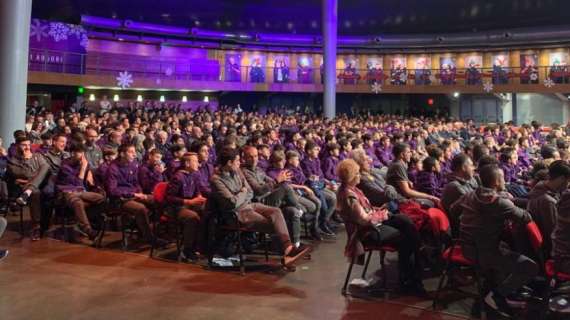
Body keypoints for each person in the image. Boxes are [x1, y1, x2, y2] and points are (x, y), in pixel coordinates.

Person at [456, 164, 537, 317]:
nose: (505, 179)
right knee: (530, 267)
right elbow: (526, 217)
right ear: (496, 183)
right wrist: (509, 201)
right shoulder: (499, 202)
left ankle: (497, 295)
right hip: (485, 253)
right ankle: (496, 296)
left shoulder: (470, 194)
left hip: (466, 247)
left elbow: (454, 210)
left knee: (505, 248)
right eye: (502, 177)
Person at [210, 147, 310, 268]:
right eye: (237, 160)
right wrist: (243, 192)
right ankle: (287, 252)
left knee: (276, 212)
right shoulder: (216, 179)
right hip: (238, 213)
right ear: (229, 162)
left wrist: (242, 194)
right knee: (273, 224)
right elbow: (232, 203)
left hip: (250, 205)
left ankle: (288, 248)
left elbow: (250, 192)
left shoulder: (237, 172)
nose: (239, 162)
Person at [336, 159, 424, 294]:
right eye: (357, 173)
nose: (360, 175)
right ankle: (410, 279)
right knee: (408, 237)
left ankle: (411, 276)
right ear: (351, 177)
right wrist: (383, 215)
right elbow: (364, 220)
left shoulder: (353, 190)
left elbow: (367, 210)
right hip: (366, 232)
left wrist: (378, 210)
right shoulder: (349, 196)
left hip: (373, 223)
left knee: (406, 222)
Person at [242, 146, 306, 248]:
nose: (254, 159)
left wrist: (279, 181)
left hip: (271, 197)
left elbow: (270, 181)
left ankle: (295, 244)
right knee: (285, 187)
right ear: (244, 158)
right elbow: (258, 191)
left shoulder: (258, 169)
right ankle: (300, 208)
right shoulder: (245, 172)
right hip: (260, 202)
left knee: (293, 211)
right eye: (250, 157)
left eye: (256, 156)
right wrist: (277, 181)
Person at [106, 143, 160, 246]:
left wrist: (140, 192)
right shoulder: (113, 168)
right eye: (131, 152)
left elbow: (136, 183)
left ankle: (154, 231)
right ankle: (149, 238)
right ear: (122, 154)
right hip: (119, 200)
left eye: (134, 152)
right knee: (140, 208)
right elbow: (112, 191)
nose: (134, 155)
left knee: (157, 200)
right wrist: (133, 194)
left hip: (134, 195)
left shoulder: (133, 164)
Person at [55, 143, 105, 240]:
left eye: (83, 152)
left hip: (80, 192)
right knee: (77, 202)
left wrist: (88, 171)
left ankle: (89, 221)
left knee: (101, 198)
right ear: (72, 153)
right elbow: (75, 184)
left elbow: (84, 185)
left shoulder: (84, 164)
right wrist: (83, 169)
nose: (82, 155)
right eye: (79, 152)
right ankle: (88, 230)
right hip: (66, 192)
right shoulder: (65, 166)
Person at [165, 152, 208, 262]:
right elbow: (169, 198)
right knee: (192, 217)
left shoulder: (195, 174)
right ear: (187, 163)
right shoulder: (178, 177)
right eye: (195, 161)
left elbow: (197, 190)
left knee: (208, 211)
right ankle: (187, 250)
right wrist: (189, 201)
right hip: (177, 208)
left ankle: (200, 246)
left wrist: (199, 198)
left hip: (191, 204)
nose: (198, 164)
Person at [7, 136, 50, 240]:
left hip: (40, 185)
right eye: (23, 145)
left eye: (28, 145)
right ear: (17, 146)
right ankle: (36, 226)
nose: (27, 147)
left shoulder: (38, 156)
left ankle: (27, 193)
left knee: (45, 168)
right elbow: (25, 174)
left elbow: (46, 168)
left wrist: (27, 179)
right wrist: (26, 161)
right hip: (22, 188)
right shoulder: (13, 161)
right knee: (35, 192)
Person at [527, 160, 570, 257]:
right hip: (556, 251)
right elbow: (554, 231)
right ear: (562, 179)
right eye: (568, 181)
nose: (568, 185)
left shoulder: (542, 186)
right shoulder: (547, 201)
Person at [386, 142, 440, 207]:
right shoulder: (398, 165)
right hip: (400, 199)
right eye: (408, 152)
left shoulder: (400, 163)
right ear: (402, 155)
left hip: (403, 196)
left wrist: (408, 181)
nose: (410, 154)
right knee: (431, 203)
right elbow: (407, 192)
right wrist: (430, 197)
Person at [441, 153, 478, 233]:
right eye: (471, 165)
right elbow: (475, 207)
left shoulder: (470, 179)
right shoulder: (455, 186)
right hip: (464, 229)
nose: (474, 168)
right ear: (463, 167)